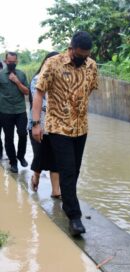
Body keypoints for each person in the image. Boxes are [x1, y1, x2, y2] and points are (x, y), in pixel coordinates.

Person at [32, 31, 98, 236]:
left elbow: (89, 90)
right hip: (58, 127)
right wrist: (35, 123)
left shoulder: (92, 66)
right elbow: (39, 91)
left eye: (86, 56)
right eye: (79, 55)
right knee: (67, 170)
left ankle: (67, 203)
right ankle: (74, 218)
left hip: (81, 127)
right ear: (71, 49)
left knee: (75, 170)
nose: (83, 59)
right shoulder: (53, 63)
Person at [28, 51, 61, 198]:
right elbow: (40, 101)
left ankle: (55, 191)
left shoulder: (61, 81)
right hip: (39, 124)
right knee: (40, 156)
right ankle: (36, 177)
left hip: (56, 126)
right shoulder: (37, 79)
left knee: (56, 158)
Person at [0, 52, 29, 173]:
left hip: (20, 110)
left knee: (23, 134)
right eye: (9, 61)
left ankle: (21, 156)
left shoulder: (21, 74)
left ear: (17, 61)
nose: (11, 63)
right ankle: (13, 163)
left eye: (14, 61)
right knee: (9, 138)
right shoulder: (0, 75)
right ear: (6, 61)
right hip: (5, 111)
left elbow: (27, 92)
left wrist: (17, 81)